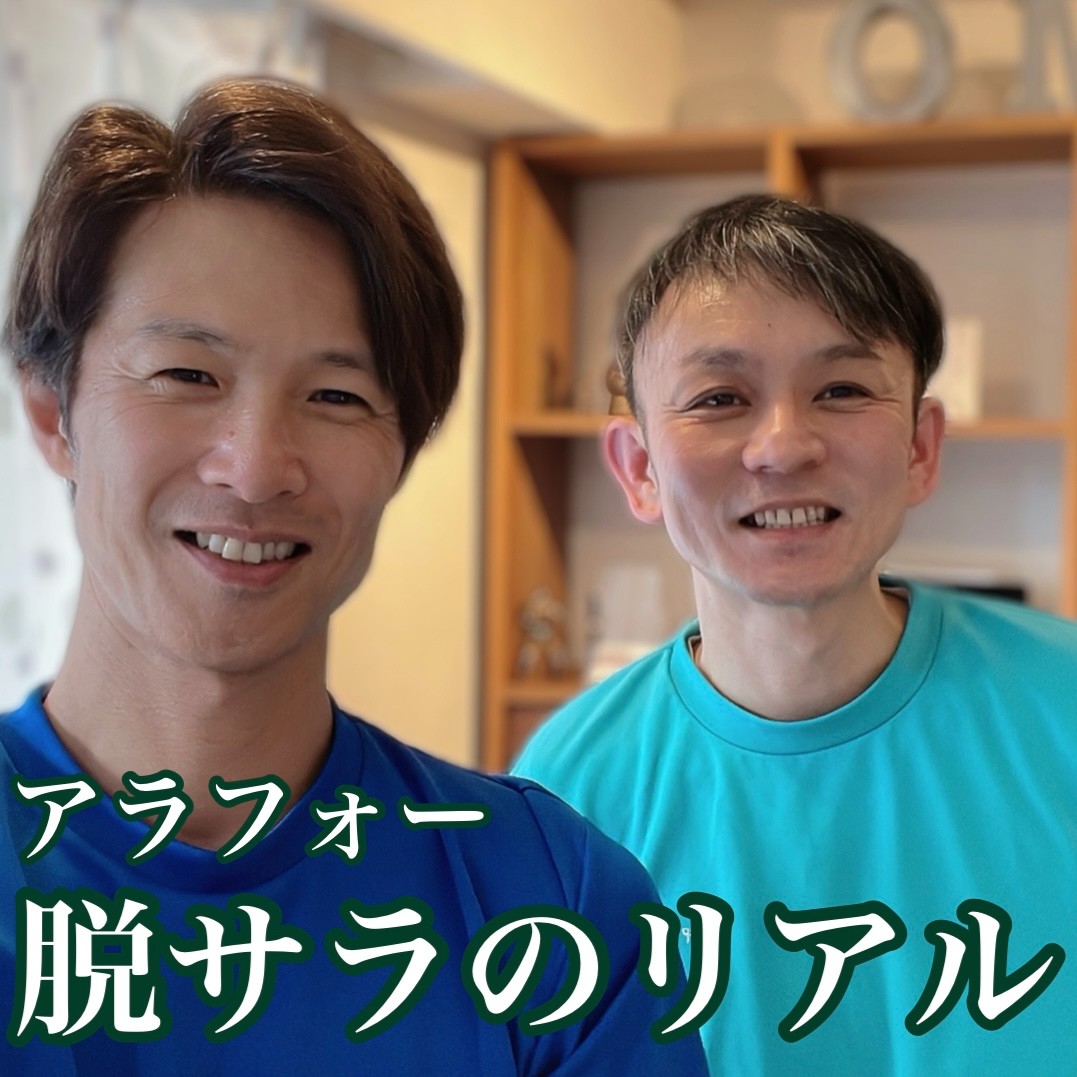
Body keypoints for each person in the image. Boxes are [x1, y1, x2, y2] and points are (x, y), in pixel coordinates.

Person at [0, 78, 708, 1075]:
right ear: (51, 411)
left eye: (335, 396)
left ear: (400, 453)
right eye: (187, 376)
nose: (255, 467)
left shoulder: (554, 910)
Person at [513, 194, 1077, 1072]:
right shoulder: (564, 795)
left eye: (840, 389)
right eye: (718, 397)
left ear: (919, 446)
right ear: (639, 467)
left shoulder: (1060, 706)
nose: (781, 446)